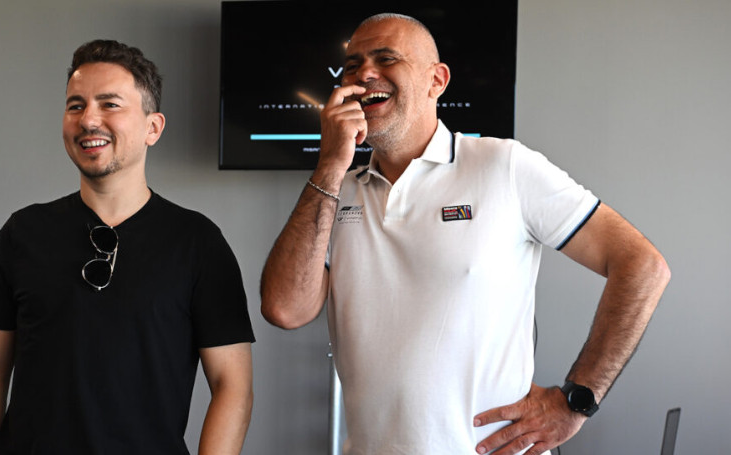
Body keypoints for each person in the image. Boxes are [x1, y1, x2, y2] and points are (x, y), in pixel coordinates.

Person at [261, 13, 670, 455]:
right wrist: (329, 166)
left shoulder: (503, 166)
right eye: (353, 65)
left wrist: (577, 401)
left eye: (385, 58)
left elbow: (642, 265)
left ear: (437, 80)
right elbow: (284, 309)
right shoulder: (335, 190)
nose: (364, 75)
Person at [0, 40, 255, 455]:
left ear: (153, 127)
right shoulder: (21, 233)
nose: (88, 120)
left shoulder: (198, 243)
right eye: (75, 105)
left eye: (110, 104)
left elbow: (232, 386)